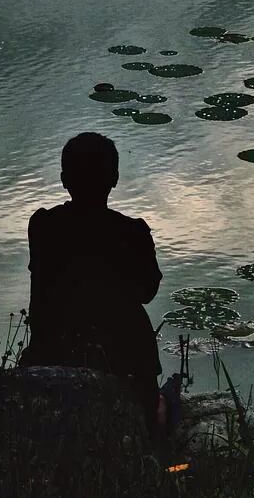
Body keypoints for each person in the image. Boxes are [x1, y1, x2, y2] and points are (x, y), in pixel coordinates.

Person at [19, 132, 169, 432]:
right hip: (124, 357)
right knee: (160, 409)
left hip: (53, 349)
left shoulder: (44, 225)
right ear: (114, 178)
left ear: (64, 180)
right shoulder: (133, 232)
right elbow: (147, 291)